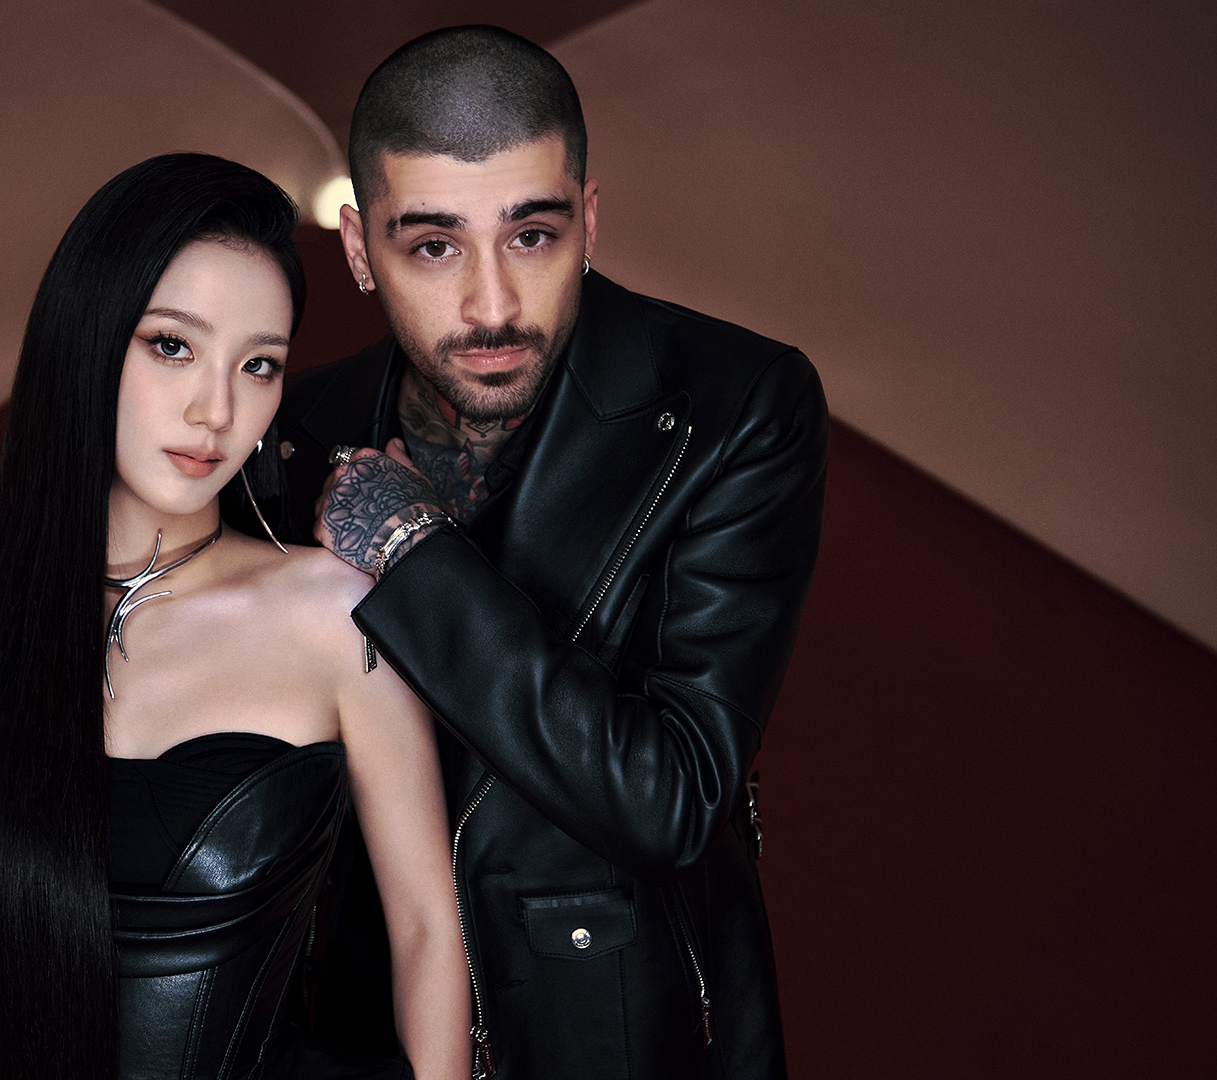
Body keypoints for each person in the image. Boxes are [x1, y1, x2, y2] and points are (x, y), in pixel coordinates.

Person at [277, 27, 827, 1080]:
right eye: (432, 246)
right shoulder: (292, 433)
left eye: (531, 235)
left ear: (589, 220)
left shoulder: (734, 407)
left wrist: (410, 549)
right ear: (356, 248)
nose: (491, 306)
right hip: (362, 1035)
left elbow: (670, 799)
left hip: (621, 1032)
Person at [0, 154, 469, 1080]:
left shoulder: (335, 617)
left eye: (259, 365)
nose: (216, 410)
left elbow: (427, 935)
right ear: (87, 342)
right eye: (172, 346)